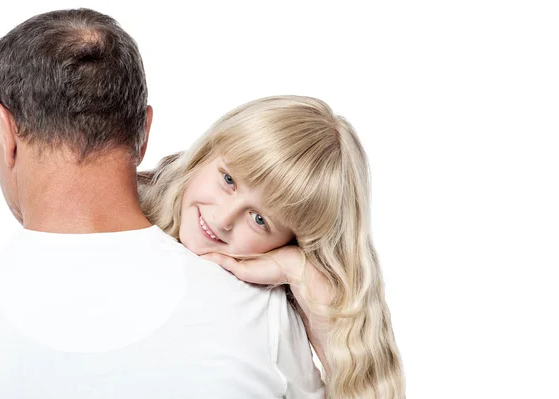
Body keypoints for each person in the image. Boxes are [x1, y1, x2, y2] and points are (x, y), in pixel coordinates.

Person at [0, 9, 324, 399]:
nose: (221, 220)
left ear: (7, 132)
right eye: (229, 180)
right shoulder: (262, 317)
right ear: (143, 131)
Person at [138, 95, 406, 399]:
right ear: (206, 153)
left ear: (291, 240)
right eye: (228, 180)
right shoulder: (122, 205)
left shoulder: (270, 317)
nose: (223, 219)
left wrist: (298, 270)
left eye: (259, 219)